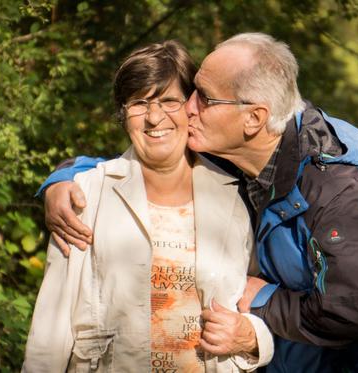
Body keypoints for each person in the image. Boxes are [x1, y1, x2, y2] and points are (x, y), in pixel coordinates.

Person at [41, 33, 358, 372]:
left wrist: (263, 301)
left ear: (253, 118)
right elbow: (144, 158)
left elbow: (356, 309)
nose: (189, 106)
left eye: (206, 98)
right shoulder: (237, 152)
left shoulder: (336, 191)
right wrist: (64, 177)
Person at [23, 40, 274, 372]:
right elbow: (50, 331)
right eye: (139, 103)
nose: (155, 118)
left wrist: (254, 336)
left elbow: (265, 299)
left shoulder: (239, 195)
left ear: (193, 106)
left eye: (169, 100)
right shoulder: (86, 194)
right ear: (124, 113)